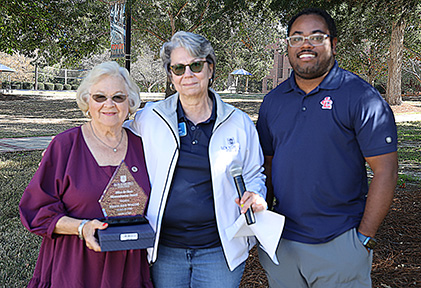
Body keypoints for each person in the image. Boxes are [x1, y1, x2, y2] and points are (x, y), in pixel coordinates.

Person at [256, 8, 398, 288]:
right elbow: (267, 166)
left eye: (316, 37)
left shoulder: (360, 97)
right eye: (296, 38)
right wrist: (262, 228)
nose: (305, 44)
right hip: (282, 244)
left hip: (339, 243)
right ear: (288, 46)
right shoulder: (274, 101)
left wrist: (363, 238)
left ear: (333, 44)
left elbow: (386, 171)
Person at [124, 31, 267, 288]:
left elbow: (255, 174)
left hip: (219, 251)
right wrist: (69, 146)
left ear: (210, 69)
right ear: (170, 75)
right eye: (178, 68)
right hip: (165, 249)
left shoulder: (239, 122)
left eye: (196, 66)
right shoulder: (150, 117)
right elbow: (109, 135)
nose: (187, 75)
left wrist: (256, 194)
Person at [19, 61, 153, 288]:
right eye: (100, 97)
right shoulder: (65, 146)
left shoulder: (144, 148)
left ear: (129, 103)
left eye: (118, 97)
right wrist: (81, 227)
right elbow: (36, 209)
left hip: (127, 268)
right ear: (87, 101)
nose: (109, 104)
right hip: (75, 265)